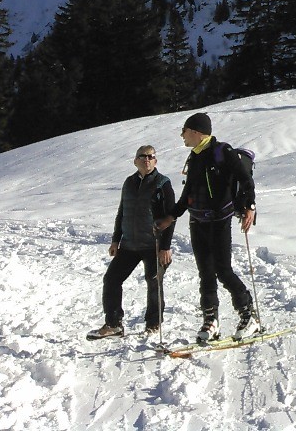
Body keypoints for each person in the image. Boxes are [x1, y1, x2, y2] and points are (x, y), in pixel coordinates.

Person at [159, 112, 258, 344]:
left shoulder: (222, 151)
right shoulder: (194, 158)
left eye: (184, 131)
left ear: (195, 131)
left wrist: (250, 206)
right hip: (197, 221)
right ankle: (211, 320)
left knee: (223, 270)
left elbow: (246, 179)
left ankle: (248, 315)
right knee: (205, 272)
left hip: (219, 220)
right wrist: (170, 217)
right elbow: (187, 196)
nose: (182, 135)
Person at [87, 145, 175, 339]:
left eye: (151, 157)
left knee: (153, 282)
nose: (147, 160)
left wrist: (166, 246)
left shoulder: (162, 183)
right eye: (142, 156)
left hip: (154, 244)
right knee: (111, 279)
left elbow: (171, 217)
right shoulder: (129, 182)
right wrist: (115, 240)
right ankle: (113, 324)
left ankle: (153, 323)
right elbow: (122, 212)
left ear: (155, 161)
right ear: (135, 161)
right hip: (129, 244)